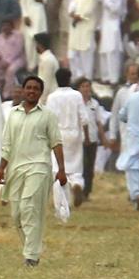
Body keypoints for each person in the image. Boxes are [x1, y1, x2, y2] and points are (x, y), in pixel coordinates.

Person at [0, 75, 67, 266]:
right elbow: (7, 144)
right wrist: (2, 168)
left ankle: (31, 256)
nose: (32, 91)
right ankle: (31, 249)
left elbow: (56, 143)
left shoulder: (47, 115)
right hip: (16, 169)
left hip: (39, 167)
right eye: (29, 87)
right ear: (23, 90)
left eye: (36, 88)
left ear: (41, 92)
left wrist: (62, 170)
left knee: (30, 209)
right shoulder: (13, 114)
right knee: (17, 214)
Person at [45, 68, 89, 207]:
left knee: (58, 167)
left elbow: (48, 120)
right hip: (74, 134)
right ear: (69, 79)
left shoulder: (52, 97)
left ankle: (63, 201)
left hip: (58, 134)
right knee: (76, 167)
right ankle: (76, 184)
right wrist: (86, 136)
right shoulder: (76, 95)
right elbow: (84, 119)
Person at [117, 70, 139, 210]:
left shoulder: (132, 97)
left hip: (133, 137)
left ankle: (137, 194)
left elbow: (122, 116)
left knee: (133, 167)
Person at [76, 78, 109, 202]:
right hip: (80, 140)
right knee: (82, 165)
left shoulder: (94, 104)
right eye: (83, 86)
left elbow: (99, 123)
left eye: (88, 86)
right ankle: (79, 188)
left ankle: (86, 192)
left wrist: (104, 139)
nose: (86, 89)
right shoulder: (76, 103)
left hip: (93, 139)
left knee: (90, 167)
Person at [68, 0, 101, 80]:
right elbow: (70, 9)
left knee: (86, 58)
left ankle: (88, 81)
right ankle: (76, 80)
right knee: (73, 56)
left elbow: (88, 11)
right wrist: (73, 15)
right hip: (76, 31)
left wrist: (77, 16)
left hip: (86, 30)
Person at [97, 0, 126, 83]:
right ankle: (105, 77)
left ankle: (114, 78)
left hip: (113, 27)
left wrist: (106, 0)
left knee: (113, 52)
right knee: (103, 53)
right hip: (104, 27)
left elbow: (115, 10)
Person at [0, 19, 25, 101]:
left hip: (17, 60)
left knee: (10, 70)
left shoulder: (18, 35)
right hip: (3, 61)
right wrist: (0, 59)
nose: (5, 27)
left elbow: (18, 50)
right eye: (3, 26)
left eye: (7, 25)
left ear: (12, 26)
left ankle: (7, 95)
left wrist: (8, 61)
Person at [35, 33, 59, 104]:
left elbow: (45, 83)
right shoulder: (45, 58)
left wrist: (41, 102)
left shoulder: (47, 60)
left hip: (48, 99)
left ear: (40, 45)